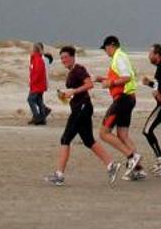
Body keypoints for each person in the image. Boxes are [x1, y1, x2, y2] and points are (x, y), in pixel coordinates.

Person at [45, 45, 120, 185]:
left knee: (65, 139)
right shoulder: (72, 71)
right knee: (88, 140)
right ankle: (111, 165)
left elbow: (89, 84)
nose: (64, 60)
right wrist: (66, 95)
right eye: (62, 58)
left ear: (73, 57)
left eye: (66, 57)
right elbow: (78, 90)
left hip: (82, 108)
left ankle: (59, 175)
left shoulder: (78, 69)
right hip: (80, 107)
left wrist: (72, 92)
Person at [100, 36, 145, 179]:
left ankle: (132, 157)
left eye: (105, 48)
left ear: (111, 46)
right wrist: (101, 79)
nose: (105, 51)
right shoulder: (121, 57)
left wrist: (110, 84)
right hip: (129, 98)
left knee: (104, 133)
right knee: (122, 135)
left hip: (122, 99)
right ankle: (137, 169)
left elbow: (126, 78)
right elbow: (120, 77)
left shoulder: (118, 56)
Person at [141, 44, 161, 171]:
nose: (149, 56)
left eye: (150, 53)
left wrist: (160, 96)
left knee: (147, 130)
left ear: (157, 55)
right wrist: (150, 83)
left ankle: (160, 160)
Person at [27, 42, 51, 127]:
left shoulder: (37, 59)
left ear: (35, 49)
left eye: (33, 48)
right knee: (39, 100)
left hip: (37, 84)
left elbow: (38, 72)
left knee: (30, 99)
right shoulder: (36, 58)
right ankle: (42, 118)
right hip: (40, 84)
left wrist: (33, 81)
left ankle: (37, 116)